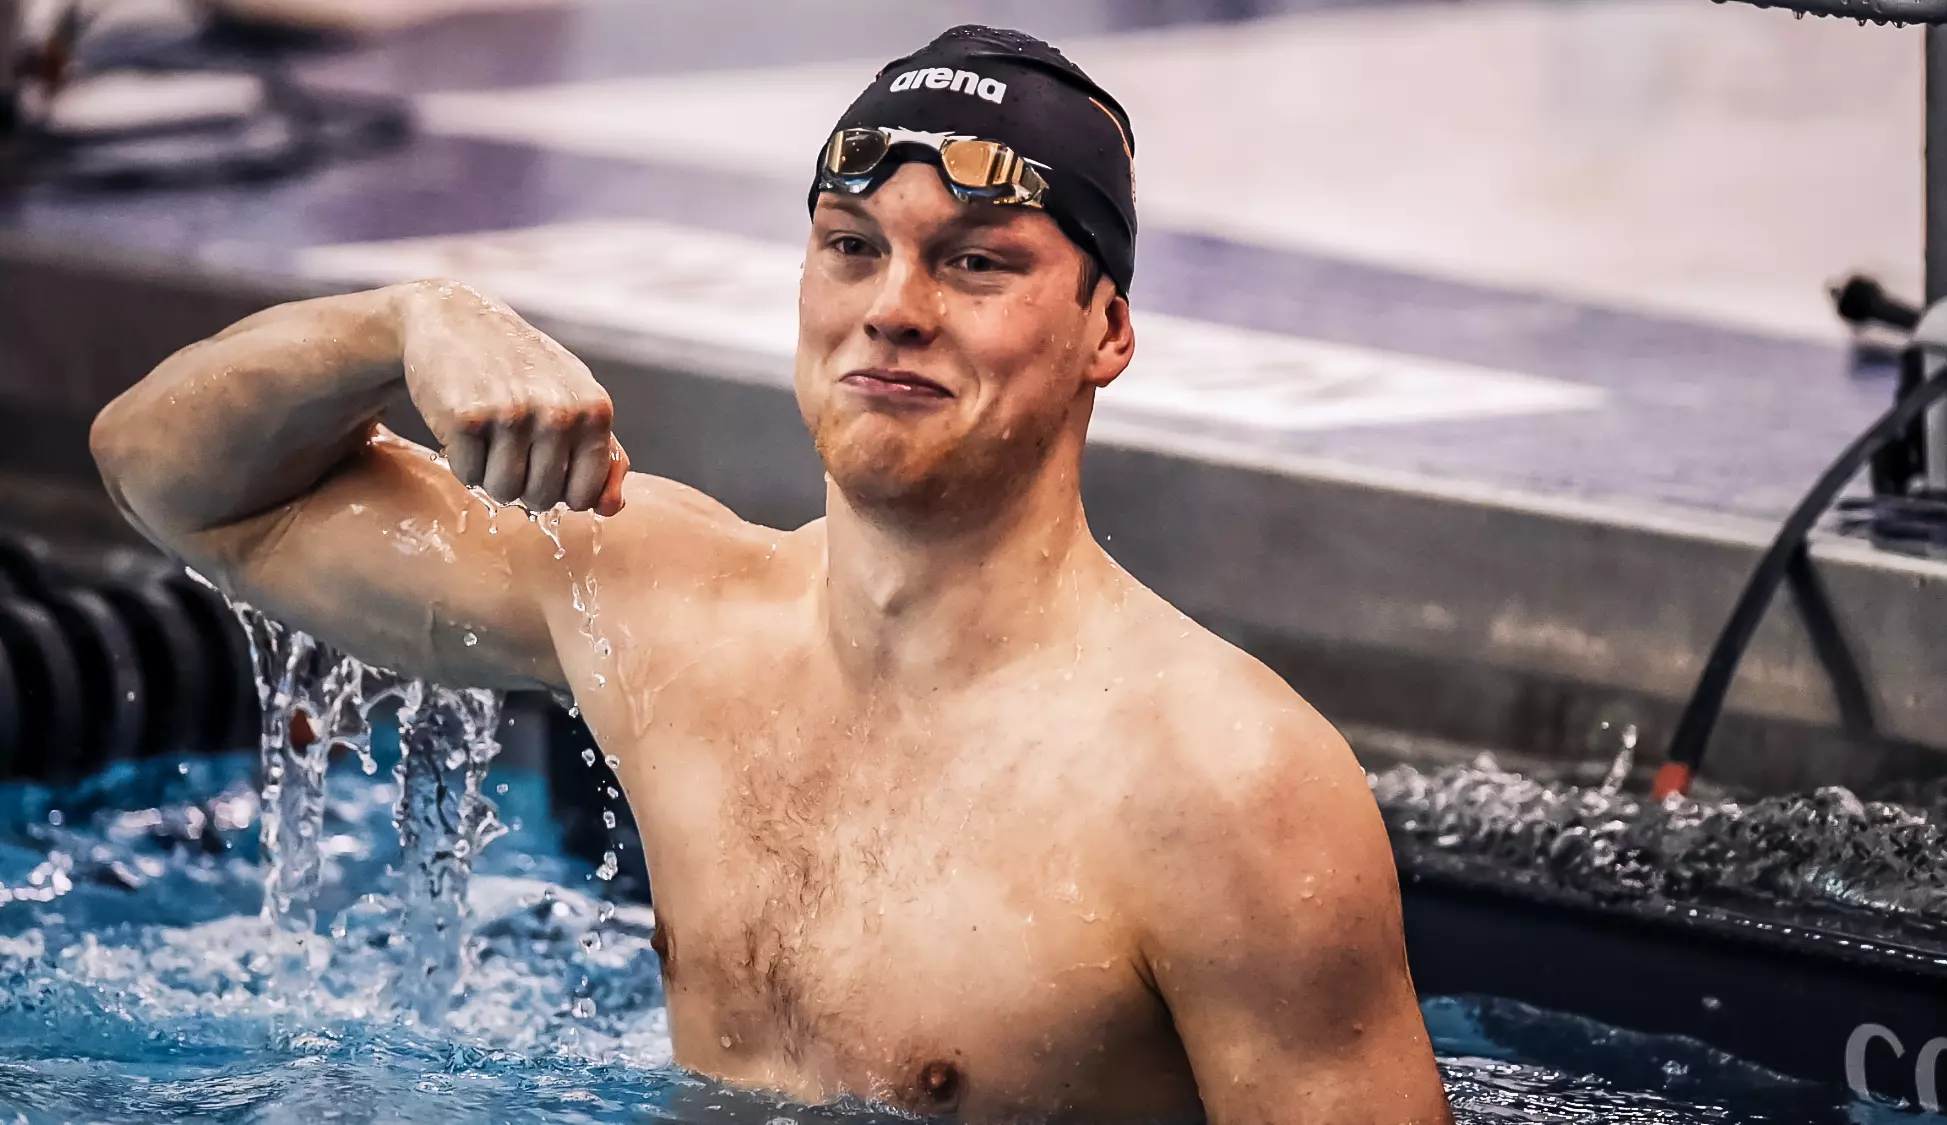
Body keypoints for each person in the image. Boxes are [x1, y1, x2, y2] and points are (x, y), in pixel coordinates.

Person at [90, 24, 1453, 1125]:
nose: (896, 305)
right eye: (852, 245)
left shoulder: (1230, 787)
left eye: (978, 263)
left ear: (1107, 328)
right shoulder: (657, 608)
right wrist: (402, 320)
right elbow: (183, 485)